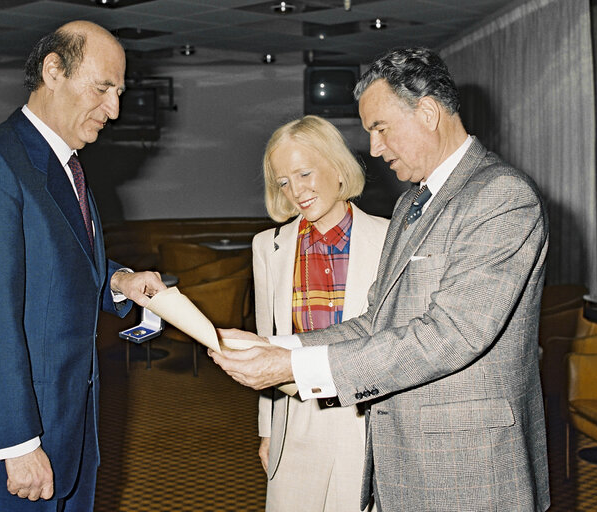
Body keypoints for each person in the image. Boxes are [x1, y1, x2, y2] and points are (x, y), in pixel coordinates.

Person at [212, 47, 551, 511]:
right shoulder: (412, 204)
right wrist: (280, 349)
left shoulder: (500, 196)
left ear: (428, 112)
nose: (373, 148)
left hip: (468, 468)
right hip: (401, 459)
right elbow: (377, 322)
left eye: (380, 128)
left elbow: (451, 335)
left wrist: (293, 369)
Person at [0, 21, 166, 511]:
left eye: (119, 93)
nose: (115, 109)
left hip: (70, 428)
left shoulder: (65, 165)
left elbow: (58, 264)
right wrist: (18, 446)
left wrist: (117, 280)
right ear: (53, 70)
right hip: (16, 446)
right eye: (103, 88)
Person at [253, 115, 388, 511]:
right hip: (298, 417)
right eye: (283, 181)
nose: (296, 191)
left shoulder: (390, 237)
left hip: (365, 419)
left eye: (304, 173)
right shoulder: (268, 247)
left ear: (337, 166)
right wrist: (267, 430)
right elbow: (269, 345)